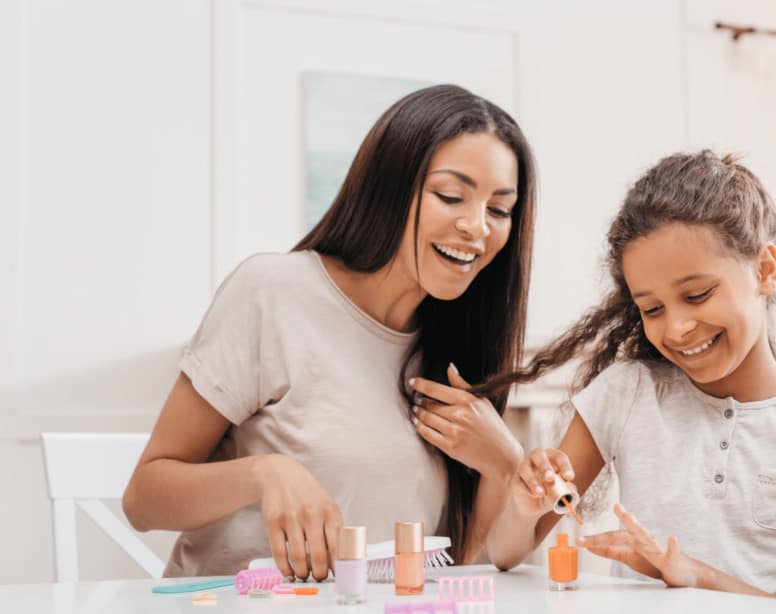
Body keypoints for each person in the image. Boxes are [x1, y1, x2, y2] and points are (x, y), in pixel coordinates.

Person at [122, 84, 536, 580]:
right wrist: (265, 472)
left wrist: (501, 464)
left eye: (499, 209)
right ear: (391, 185)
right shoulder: (272, 292)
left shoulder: (457, 349)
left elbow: (455, 568)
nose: (477, 227)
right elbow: (144, 500)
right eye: (451, 196)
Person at [482, 151, 776, 613]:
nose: (676, 328)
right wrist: (524, 504)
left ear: (765, 270)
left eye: (697, 295)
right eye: (652, 309)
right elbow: (506, 553)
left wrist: (697, 577)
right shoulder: (628, 392)